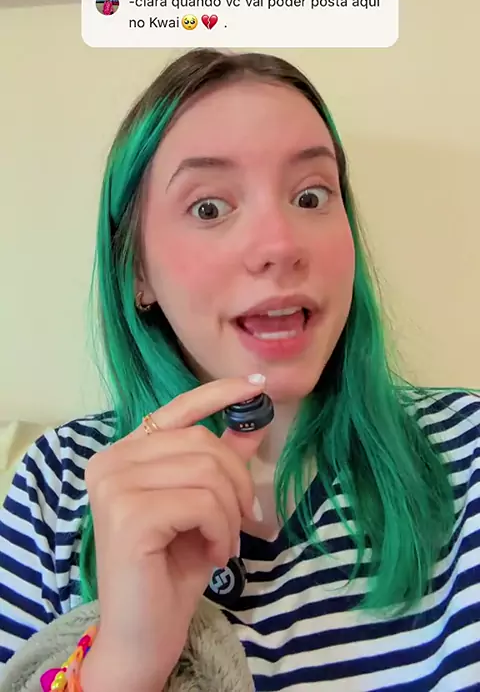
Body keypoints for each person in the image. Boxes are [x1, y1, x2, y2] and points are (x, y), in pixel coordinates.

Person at [0, 48, 479, 692]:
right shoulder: (57, 486)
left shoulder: (467, 451)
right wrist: (128, 658)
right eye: (209, 207)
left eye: (311, 196)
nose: (280, 245)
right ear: (137, 270)